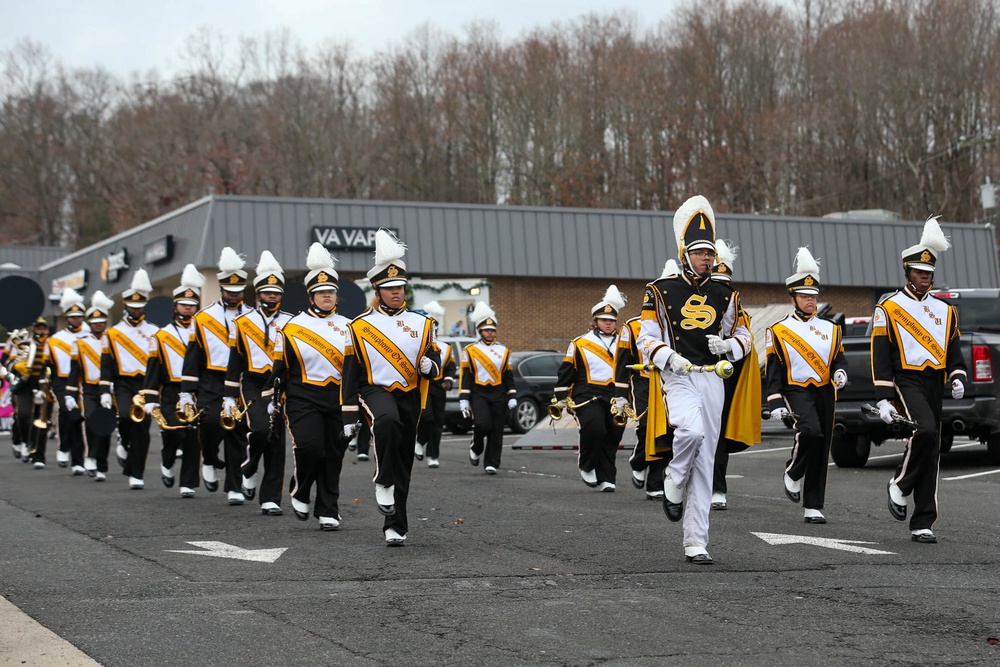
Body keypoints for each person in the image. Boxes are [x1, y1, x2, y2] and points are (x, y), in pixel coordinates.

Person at [637, 195, 752, 565]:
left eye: (710, 252)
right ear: (685, 252)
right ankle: (672, 476)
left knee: (706, 462)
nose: (707, 258)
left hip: (712, 379)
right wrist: (670, 357)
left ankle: (695, 541)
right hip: (677, 376)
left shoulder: (726, 293)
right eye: (700, 252)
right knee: (690, 432)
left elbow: (747, 338)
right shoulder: (659, 290)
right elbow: (645, 339)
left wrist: (728, 345)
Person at [342, 229, 440, 546]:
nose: (396, 292)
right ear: (378, 291)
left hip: (409, 394)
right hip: (375, 390)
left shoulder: (423, 323)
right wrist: (347, 414)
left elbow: (434, 354)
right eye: (389, 288)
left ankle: (395, 525)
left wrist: (431, 365)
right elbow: (350, 372)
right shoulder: (358, 326)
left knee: (403, 460)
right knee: (385, 422)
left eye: (400, 286)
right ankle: (381, 480)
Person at [872, 216, 966, 544]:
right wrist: (884, 397)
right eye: (919, 273)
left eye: (929, 274)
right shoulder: (888, 307)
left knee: (933, 445)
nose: (925, 279)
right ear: (907, 272)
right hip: (905, 379)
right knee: (924, 430)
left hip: (934, 380)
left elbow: (953, 349)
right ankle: (899, 484)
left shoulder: (946, 310)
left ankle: (923, 520)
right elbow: (880, 353)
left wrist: (957, 376)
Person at [266, 243, 351, 528]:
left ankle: (328, 508)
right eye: (321, 292)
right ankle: (301, 488)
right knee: (311, 447)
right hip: (303, 396)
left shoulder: (350, 327)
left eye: (331, 292)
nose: (327, 296)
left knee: (334, 454)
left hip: (338, 397)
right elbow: (280, 368)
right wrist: (273, 398)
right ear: (311, 295)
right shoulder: (291, 327)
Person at [765, 247, 846, 524]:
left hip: (824, 389)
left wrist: (841, 373)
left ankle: (813, 505)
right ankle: (793, 471)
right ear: (793, 298)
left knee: (823, 445)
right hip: (795, 388)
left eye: (813, 296)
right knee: (810, 432)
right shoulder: (778, 330)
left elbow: (839, 358)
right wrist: (774, 401)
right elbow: (774, 370)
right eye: (805, 296)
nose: (811, 301)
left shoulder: (831, 328)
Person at [180, 248, 251, 505]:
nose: (234, 296)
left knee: (237, 432)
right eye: (230, 292)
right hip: (211, 379)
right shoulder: (202, 317)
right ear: (221, 290)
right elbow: (193, 355)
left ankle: (234, 486)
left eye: (239, 292)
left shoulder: (251, 316)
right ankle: (209, 458)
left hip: (241, 380)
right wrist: (187, 391)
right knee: (209, 423)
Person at [226, 251, 293, 515]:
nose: (273, 296)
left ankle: (271, 497)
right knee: (261, 430)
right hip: (253, 383)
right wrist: (228, 395)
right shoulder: (241, 322)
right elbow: (234, 360)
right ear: (258, 293)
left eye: (276, 292)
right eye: (267, 292)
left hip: (280, 384)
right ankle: (249, 466)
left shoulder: (291, 321)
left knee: (276, 438)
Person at [555, 285, 628, 491]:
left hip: (616, 395)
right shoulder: (580, 342)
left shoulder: (625, 342)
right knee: (595, 429)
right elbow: (567, 370)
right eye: (604, 320)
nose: (608, 323)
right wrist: (560, 395)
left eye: (612, 320)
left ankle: (607, 478)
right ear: (595, 321)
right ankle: (587, 464)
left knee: (613, 435)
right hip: (587, 394)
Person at [141, 265, 204, 497]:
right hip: (170, 390)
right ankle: (167, 462)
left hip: (195, 390)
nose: (188, 309)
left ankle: (188, 482)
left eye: (192, 306)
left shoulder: (203, 331)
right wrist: (150, 398)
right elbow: (153, 370)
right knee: (173, 432)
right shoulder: (161, 335)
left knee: (192, 437)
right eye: (184, 305)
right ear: (175, 306)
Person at [619, 261, 679, 501]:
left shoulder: (681, 327)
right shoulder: (632, 326)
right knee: (646, 427)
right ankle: (638, 459)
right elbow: (622, 362)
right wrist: (620, 392)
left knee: (669, 432)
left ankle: (656, 483)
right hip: (644, 382)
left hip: (671, 382)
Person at [709, 240, 761, 511]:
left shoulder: (737, 307)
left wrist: (728, 346)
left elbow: (746, 341)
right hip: (689, 372)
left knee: (717, 432)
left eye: (724, 284)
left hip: (723, 374)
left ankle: (717, 487)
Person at [100, 269, 159, 489]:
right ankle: (123, 439)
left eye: (140, 307)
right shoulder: (112, 333)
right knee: (126, 417)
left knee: (142, 427)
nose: (136, 310)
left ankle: (137, 473)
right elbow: (106, 364)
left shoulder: (155, 331)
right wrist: (105, 391)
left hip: (146, 384)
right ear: (125, 307)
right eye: (132, 307)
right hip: (123, 383)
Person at [459, 302, 515, 475]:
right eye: (486, 330)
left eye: (492, 330)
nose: (490, 333)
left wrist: (512, 394)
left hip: (498, 393)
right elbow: (465, 375)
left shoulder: (504, 351)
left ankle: (492, 462)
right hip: (478, 393)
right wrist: (464, 399)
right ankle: (476, 446)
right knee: (482, 423)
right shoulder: (470, 350)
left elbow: (508, 376)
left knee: (497, 429)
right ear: (480, 331)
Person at [68, 291, 114, 480]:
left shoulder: (112, 340)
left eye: (101, 322)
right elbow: (74, 371)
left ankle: (101, 465)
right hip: (89, 389)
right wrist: (70, 394)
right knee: (92, 421)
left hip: (110, 389)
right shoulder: (80, 344)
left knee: (106, 427)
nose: (98, 325)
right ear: (90, 324)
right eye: (95, 322)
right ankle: (92, 457)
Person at [46, 288, 89, 474]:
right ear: (66, 317)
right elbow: (48, 366)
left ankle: (78, 460)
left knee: (78, 418)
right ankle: (64, 446)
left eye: (79, 316)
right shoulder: (55, 340)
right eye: (72, 316)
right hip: (62, 381)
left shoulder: (88, 338)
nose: (76, 319)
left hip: (84, 382)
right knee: (66, 410)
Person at [415, 301, 456, 468]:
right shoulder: (417, 345)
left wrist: (448, 381)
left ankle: (433, 455)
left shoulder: (446, 348)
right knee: (426, 416)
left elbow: (450, 368)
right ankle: (419, 440)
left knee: (437, 423)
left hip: (439, 388)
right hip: (422, 387)